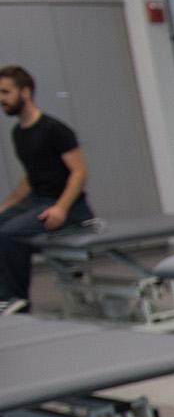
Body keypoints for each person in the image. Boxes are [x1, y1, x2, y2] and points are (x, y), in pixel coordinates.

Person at [0, 65, 94, 312]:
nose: (1, 99)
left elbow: (79, 172)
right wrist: (7, 206)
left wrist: (61, 209)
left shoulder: (55, 129)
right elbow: (31, 177)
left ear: (26, 92)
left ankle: (17, 301)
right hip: (37, 201)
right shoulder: (18, 133)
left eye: (5, 92)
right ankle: (3, 296)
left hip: (70, 207)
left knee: (9, 234)